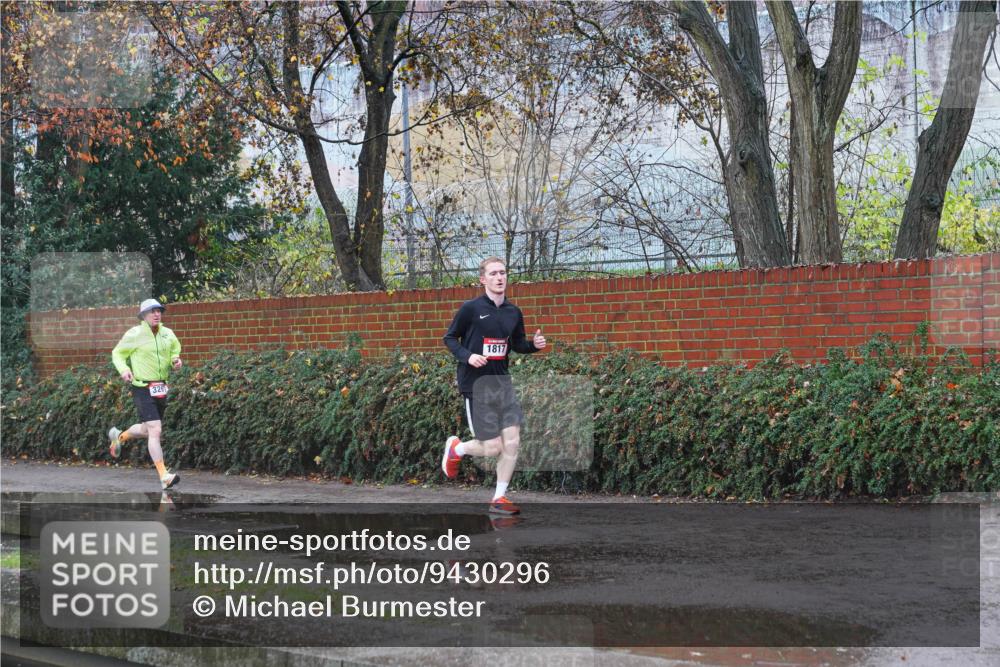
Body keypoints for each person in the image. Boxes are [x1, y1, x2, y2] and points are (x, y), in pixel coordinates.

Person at [441, 257, 546, 515]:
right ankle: (457, 448)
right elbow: (450, 338)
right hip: (476, 385)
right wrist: (468, 356)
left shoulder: (513, 312)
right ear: (483, 279)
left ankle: (499, 498)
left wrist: (534, 345)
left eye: (503, 273)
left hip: (502, 384)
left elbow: (517, 344)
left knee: (512, 442)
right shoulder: (470, 309)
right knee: (493, 447)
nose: (500, 278)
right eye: (494, 273)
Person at [108, 298, 182, 490]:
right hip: (141, 387)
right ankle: (164, 476)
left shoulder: (167, 334)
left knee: (147, 430)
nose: (157, 314)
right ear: (143, 315)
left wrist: (175, 360)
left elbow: (175, 350)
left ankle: (119, 437)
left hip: (160, 387)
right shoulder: (135, 334)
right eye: (152, 311)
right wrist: (124, 369)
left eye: (159, 311)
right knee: (156, 430)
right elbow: (117, 353)